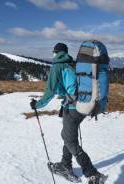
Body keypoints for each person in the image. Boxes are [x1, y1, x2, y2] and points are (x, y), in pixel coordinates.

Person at [30, 43, 106, 184]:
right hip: (84, 105)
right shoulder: (72, 64)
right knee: (67, 135)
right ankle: (65, 164)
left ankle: (93, 174)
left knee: (70, 140)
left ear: (55, 52)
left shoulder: (57, 66)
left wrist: (37, 105)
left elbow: (50, 91)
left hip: (72, 108)